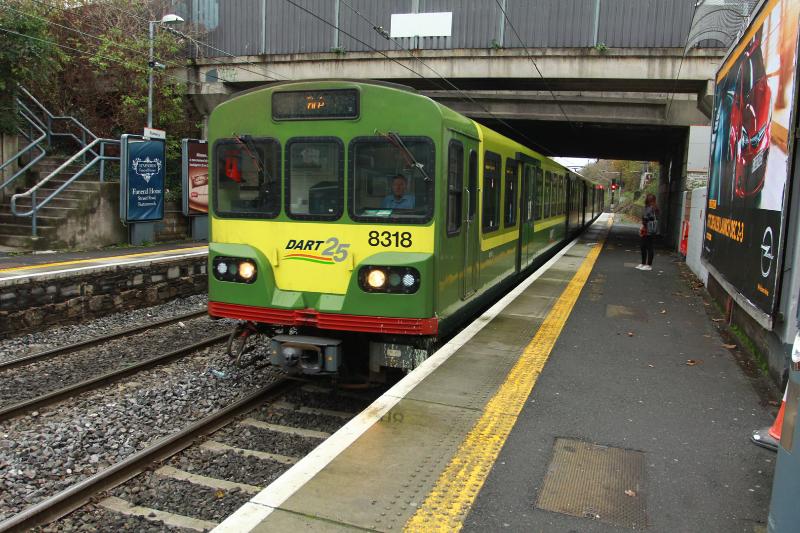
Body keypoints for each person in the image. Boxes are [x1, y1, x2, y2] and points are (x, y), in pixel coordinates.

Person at [636, 194, 659, 271]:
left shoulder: (651, 208)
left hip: (648, 229)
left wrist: (643, 225)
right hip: (648, 229)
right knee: (645, 246)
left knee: (647, 246)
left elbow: (646, 218)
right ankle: (644, 264)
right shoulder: (653, 207)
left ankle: (648, 265)